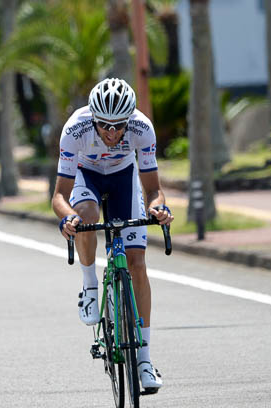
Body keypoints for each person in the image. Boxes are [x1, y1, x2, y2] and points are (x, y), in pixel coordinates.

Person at [51, 78, 174, 391]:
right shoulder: (75, 129)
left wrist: (158, 209)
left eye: (118, 125)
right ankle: (90, 285)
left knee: (137, 264)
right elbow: (59, 197)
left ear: (128, 120)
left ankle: (144, 361)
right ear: (93, 119)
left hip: (123, 177)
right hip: (86, 175)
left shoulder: (141, 128)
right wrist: (69, 218)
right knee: (87, 215)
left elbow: (152, 189)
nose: (111, 132)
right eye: (104, 125)